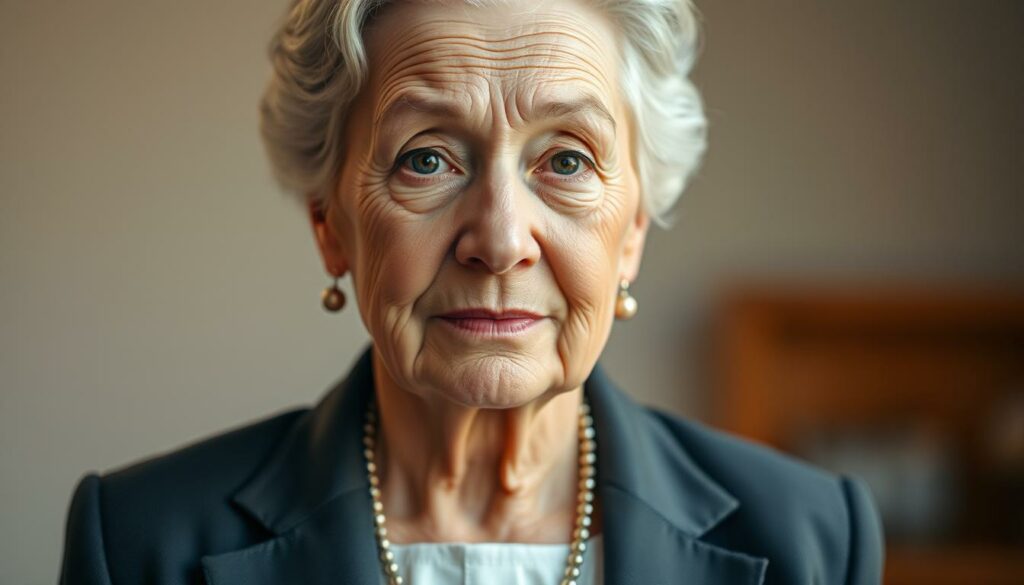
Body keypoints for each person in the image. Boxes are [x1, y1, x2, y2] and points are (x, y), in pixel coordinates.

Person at [59, 0, 884, 583]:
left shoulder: (810, 543)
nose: (498, 240)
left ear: (631, 227)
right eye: (427, 157)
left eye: (565, 160)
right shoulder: (138, 544)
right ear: (331, 225)